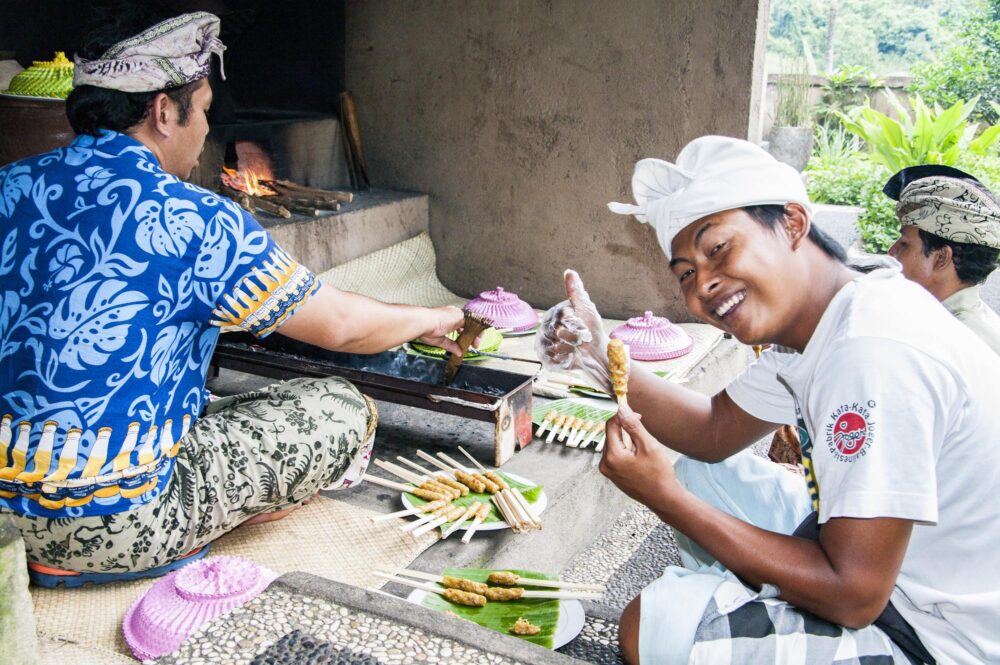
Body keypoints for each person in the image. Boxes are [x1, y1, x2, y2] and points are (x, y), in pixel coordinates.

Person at [0, 11, 467, 585]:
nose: (203, 131)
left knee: (215, 405)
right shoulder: (193, 217)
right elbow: (342, 326)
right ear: (163, 112)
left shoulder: (10, 184)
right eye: (202, 109)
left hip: (3, 507)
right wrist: (435, 315)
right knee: (341, 408)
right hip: (117, 522)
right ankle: (121, 548)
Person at [537, 136, 1000, 664]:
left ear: (793, 224)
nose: (704, 283)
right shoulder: (829, 314)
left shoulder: (871, 350)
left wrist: (663, 497)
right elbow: (713, 431)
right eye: (686, 272)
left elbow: (854, 595)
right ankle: (754, 606)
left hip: (933, 636)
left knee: (655, 623)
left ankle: (747, 610)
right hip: (884, 568)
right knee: (701, 476)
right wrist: (602, 356)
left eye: (718, 249)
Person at [884, 165, 1000, 354]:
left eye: (905, 244)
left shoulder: (954, 342)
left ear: (941, 257)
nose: (892, 251)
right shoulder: (947, 321)